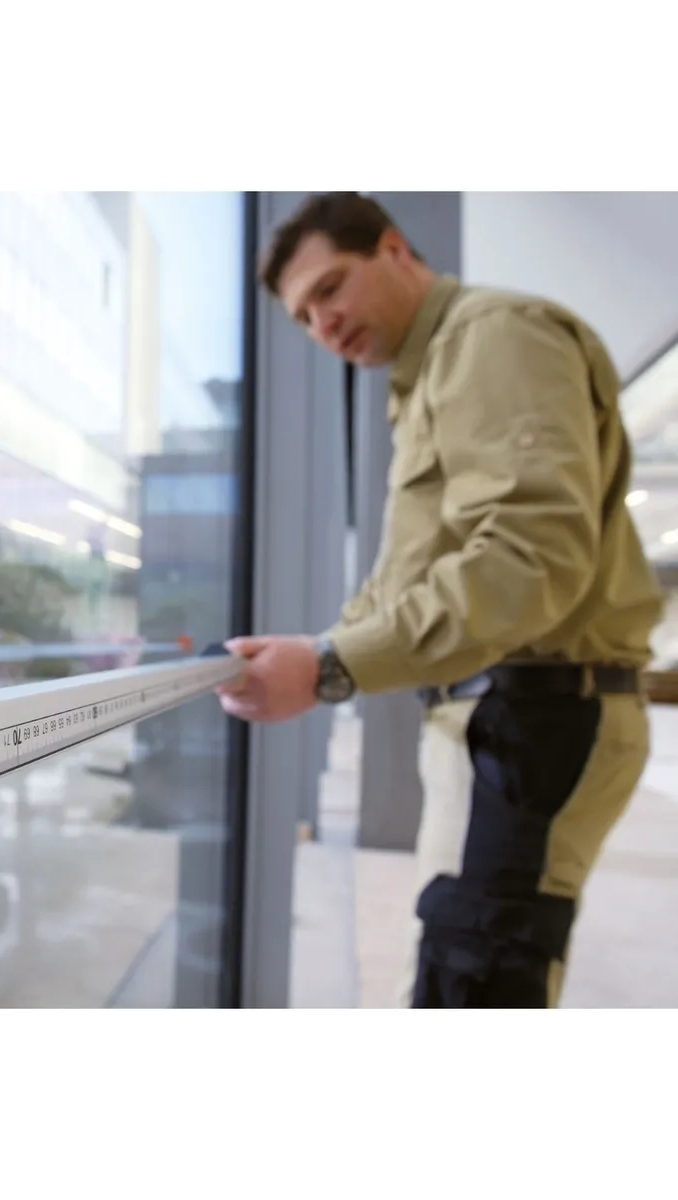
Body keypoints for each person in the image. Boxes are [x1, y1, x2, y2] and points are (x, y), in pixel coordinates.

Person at [218, 192, 663, 1008]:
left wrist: (330, 665)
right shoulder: (426, 379)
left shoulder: (493, 338)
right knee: (453, 968)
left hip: (537, 719)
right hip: (503, 720)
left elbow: (530, 559)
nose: (323, 324)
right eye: (304, 317)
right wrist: (317, 652)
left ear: (395, 250)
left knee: (475, 984)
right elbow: (416, 574)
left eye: (330, 288)